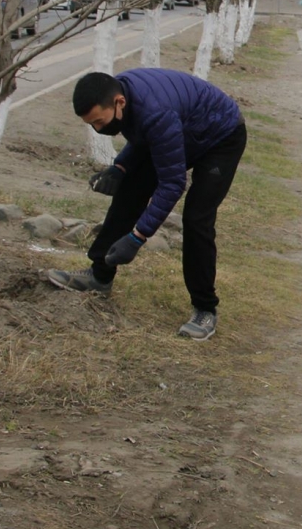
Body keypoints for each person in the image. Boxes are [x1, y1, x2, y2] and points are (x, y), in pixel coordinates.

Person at [47, 69, 248, 341]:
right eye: (91, 124)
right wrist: (119, 167)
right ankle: (100, 275)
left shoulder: (155, 112)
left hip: (221, 136)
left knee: (197, 219)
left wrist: (138, 236)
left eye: (99, 121)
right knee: (129, 190)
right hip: (182, 127)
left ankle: (205, 309)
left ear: (119, 102)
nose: (98, 128)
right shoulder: (121, 94)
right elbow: (142, 133)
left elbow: (173, 182)